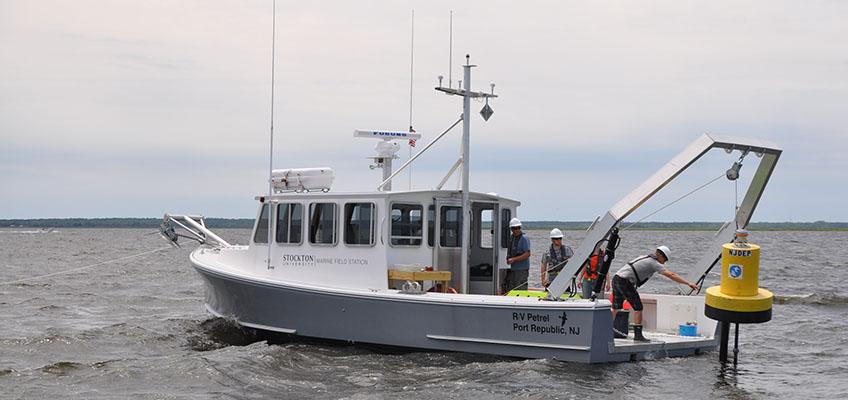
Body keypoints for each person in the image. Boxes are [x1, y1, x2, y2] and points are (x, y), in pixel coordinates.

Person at [610, 245, 699, 341]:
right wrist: (688, 283)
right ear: (660, 255)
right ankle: (638, 335)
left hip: (616, 278)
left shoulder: (644, 257)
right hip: (624, 281)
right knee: (638, 307)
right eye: (665, 259)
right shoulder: (654, 263)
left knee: (616, 308)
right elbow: (671, 275)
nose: (664, 262)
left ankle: (605, 330)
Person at [503, 218, 531, 294]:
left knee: (520, 290)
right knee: (511, 289)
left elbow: (527, 254)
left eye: (518, 228)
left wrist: (514, 259)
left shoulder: (524, 239)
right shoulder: (512, 238)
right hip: (513, 270)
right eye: (514, 228)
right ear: (511, 229)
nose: (516, 230)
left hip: (521, 270)